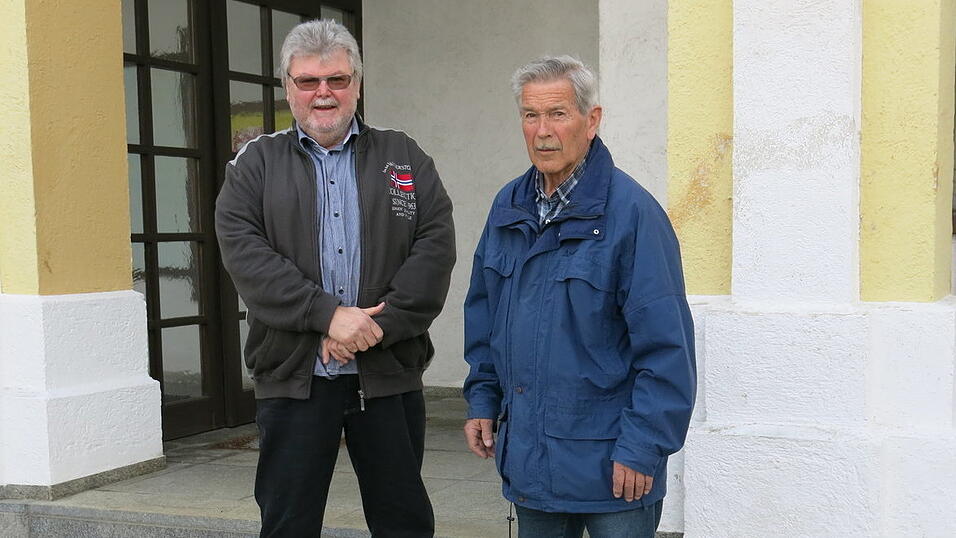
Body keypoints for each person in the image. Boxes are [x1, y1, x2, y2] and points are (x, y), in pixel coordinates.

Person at [215, 19, 455, 538]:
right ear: (288, 88)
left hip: (388, 375)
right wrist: (327, 317)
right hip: (295, 377)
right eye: (308, 82)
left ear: (357, 84)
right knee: (288, 522)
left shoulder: (404, 157)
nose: (323, 93)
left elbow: (434, 250)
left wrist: (370, 331)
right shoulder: (254, 165)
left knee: (404, 521)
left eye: (337, 80)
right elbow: (246, 257)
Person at [462, 55, 696, 538]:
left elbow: (667, 349)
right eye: (531, 115)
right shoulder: (508, 207)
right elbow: (485, 318)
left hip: (615, 470)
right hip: (530, 462)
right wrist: (483, 400)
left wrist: (643, 447)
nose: (543, 131)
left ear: (591, 121)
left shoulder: (633, 216)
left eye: (558, 114)